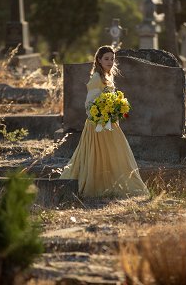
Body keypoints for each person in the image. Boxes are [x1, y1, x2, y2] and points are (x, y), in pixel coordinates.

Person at [60, 45, 149, 198]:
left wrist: (116, 109)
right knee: (98, 155)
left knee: (115, 154)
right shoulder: (96, 78)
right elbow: (89, 105)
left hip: (109, 123)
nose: (110, 61)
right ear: (99, 60)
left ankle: (113, 184)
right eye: (106, 59)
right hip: (98, 125)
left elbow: (108, 99)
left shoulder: (107, 76)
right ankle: (95, 187)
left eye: (112, 59)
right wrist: (103, 115)